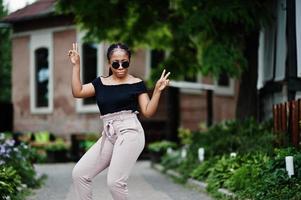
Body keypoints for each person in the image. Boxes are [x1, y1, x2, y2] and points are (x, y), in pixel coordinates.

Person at [68, 42, 170, 200]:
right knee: (80, 174)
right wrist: (76, 66)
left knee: (115, 182)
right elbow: (78, 92)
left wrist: (156, 91)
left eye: (125, 62)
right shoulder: (100, 83)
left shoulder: (136, 83)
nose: (121, 66)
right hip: (109, 133)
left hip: (130, 131)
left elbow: (148, 111)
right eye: (116, 63)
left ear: (129, 60)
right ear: (109, 63)